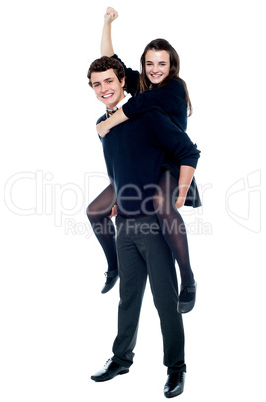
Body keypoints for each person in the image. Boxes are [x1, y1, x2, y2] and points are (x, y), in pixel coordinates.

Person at [87, 55, 200, 398]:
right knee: (128, 299)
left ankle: (176, 369)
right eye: (96, 84)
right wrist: (119, 195)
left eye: (109, 81)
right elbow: (116, 168)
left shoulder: (148, 115)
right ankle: (121, 359)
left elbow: (188, 151)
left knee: (166, 303)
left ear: (123, 82)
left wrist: (178, 196)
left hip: (153, 225)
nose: (104, 88)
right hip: (124, 225)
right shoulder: (103, 126)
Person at [87, 7, 201, 314]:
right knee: (95, 211)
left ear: (172, 65)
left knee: (163, 207)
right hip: (140, 164)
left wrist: (106, 124)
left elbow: (137, 108)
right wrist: (108, 23)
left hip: (168, 163)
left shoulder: (173, 88)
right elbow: (111, 66)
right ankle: (114, 266)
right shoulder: (141, 84)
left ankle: (188, 278)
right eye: (149, 63)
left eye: (161, 63)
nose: (154, 68)